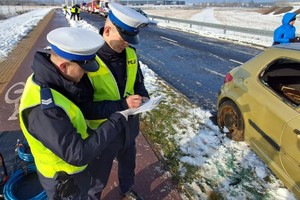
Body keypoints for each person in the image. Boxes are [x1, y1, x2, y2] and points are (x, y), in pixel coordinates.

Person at [19, 27, 132, 200]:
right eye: (83, 68)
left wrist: (119, 105)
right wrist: (116, 120)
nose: (87, 72)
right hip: (63, 179)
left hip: (74, 174)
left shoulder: (54, 79)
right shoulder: (44, 109)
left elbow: (83, 108)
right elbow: (78, 154)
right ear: (64, 66)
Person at [81, 3, 150, 199]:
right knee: (98, 177)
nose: (128, 44)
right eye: (124, 39)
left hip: (129, 128)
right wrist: (123, 105)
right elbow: (85, 108)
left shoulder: (130, 54)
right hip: (103, 134)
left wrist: (144, 96)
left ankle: (126, 189)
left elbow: (139, 83)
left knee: (129, 164)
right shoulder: (87, 61)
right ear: (108, 30)